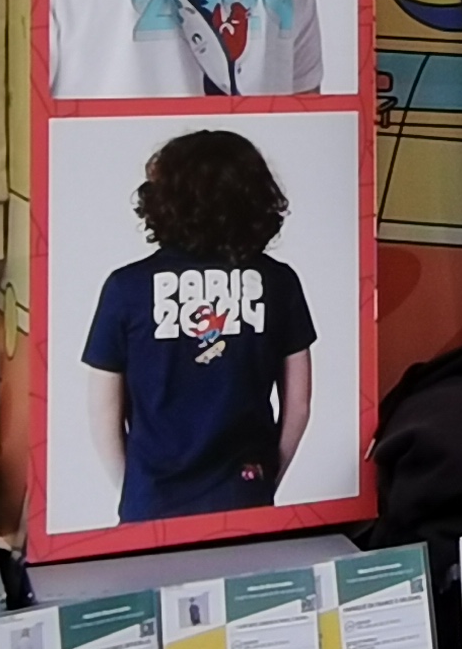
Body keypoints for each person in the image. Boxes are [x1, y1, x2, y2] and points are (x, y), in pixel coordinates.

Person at [80, 129, 317, 524]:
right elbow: (299, 403)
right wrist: (266, 482)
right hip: (244, 491)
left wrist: (133, 491)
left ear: (164, 200)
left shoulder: (125, 287)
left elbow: (103, 411)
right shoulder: (279, 282)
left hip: (151, 499)